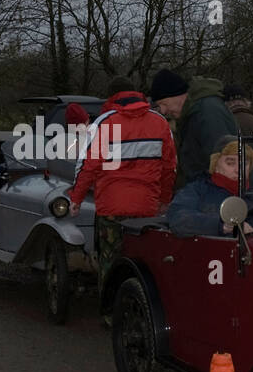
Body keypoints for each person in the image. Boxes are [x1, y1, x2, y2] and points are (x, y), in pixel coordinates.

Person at [67, 76, 176, 286]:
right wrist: (164, 199)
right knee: (145, 263)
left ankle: (110, 314)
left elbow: (87, 165)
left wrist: (76, 198)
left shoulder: (104, 123)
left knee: (110, 262)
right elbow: (169, 167)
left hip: (112, 207)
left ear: (111, 97)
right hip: (147, 207)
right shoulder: (160, 122)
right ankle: (140, 307)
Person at [149, 69, 239, 190]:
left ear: (177, 94)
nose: (163, 111)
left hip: (222, 200)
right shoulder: (193, 115)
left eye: (163, 103)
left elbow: (227, 162)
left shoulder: (207, 113)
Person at [168, 136, 253, 237]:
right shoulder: (196, 191)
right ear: (215, 165)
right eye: (230, 163)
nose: (238, 169)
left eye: (244, 163)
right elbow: (179, 218)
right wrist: (221, 225)